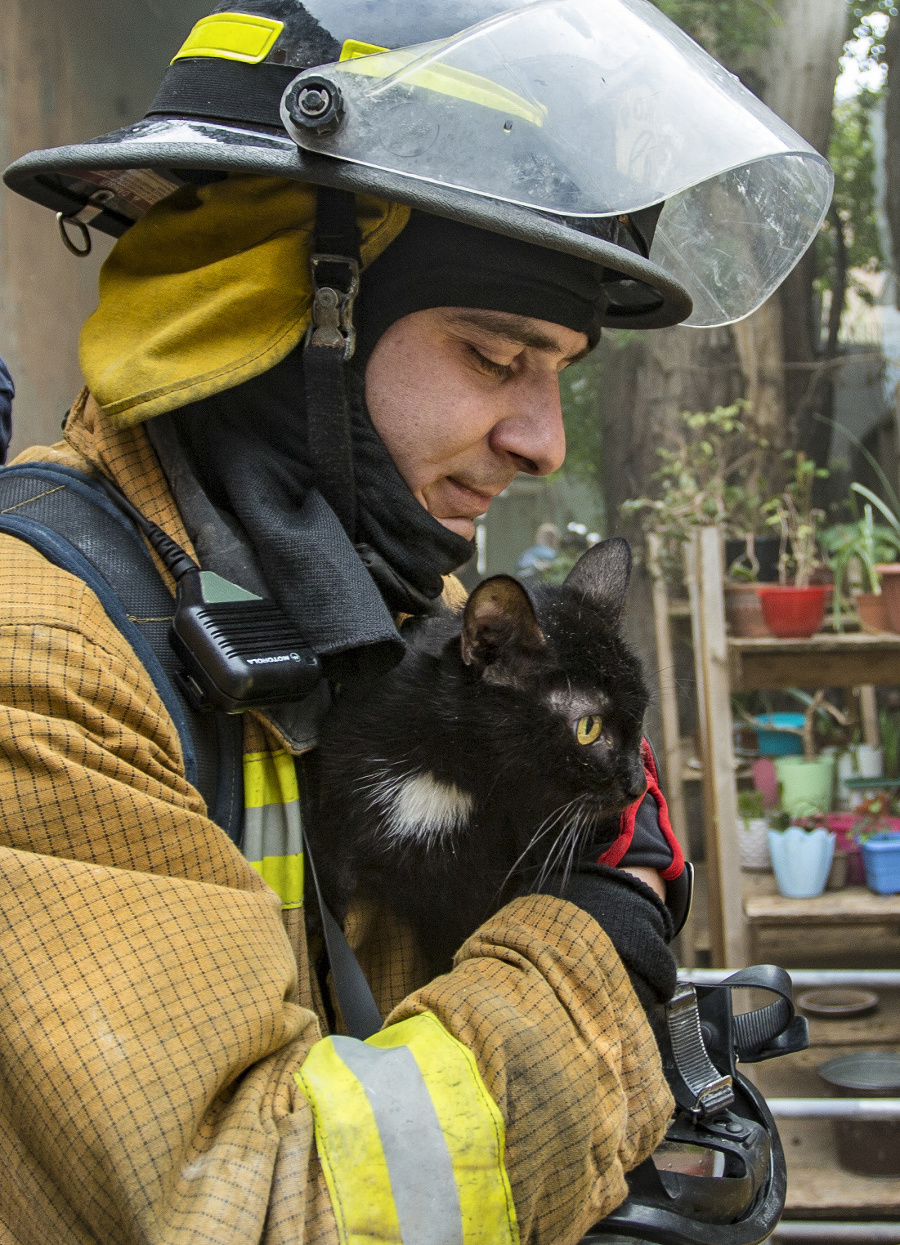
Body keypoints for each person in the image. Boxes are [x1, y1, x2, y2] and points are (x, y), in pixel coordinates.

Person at [0, 2, 831, 1242]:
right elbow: (272, 1207)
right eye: (498, 357)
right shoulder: (47, 653)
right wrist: (592, 960)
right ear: (289, 313)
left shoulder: (394, 613)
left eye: (558, 374)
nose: (544, 441)